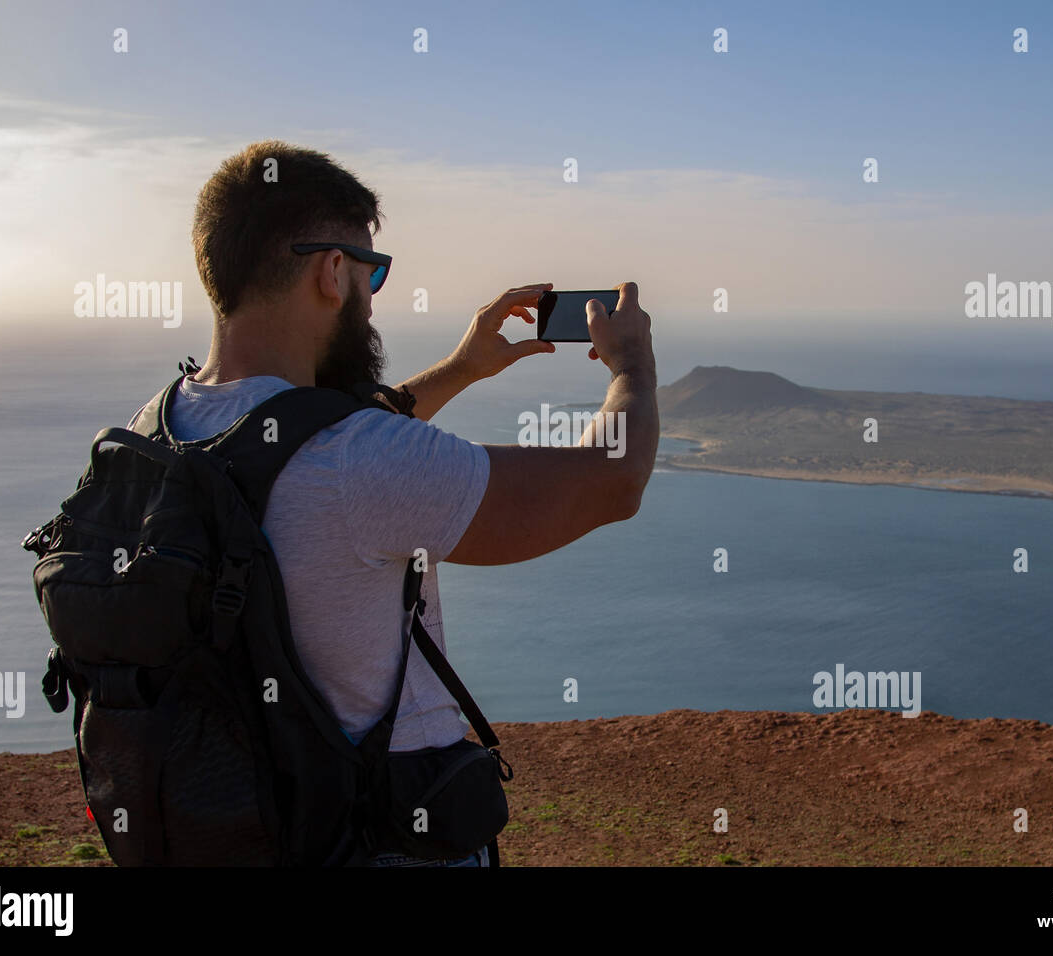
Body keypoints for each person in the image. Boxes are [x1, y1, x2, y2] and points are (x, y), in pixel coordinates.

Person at [125, 140, 659, 866]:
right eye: (371, 270)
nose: (373, 294)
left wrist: (461, 370)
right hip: (379, 835)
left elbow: (298, 444)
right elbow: (612, 482)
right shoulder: (357, 461)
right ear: (331, 271)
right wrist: (632, 366)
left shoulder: (152, 432)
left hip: (238, 825)